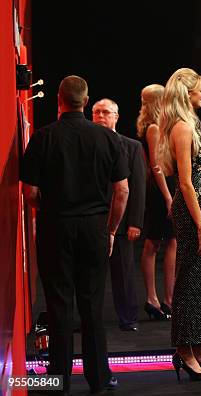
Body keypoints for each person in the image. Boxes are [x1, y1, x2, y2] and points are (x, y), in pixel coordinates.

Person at [20, 76, 128, 394]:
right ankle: (99, 378)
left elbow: (29, 193)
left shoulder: (43, 138)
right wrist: (110, 230)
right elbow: (121, 191)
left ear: (59, 99)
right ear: (86, 100)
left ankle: (59, 381)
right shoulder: (108, 139)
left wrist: (51, 206)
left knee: (59, 305)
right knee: (92, 304)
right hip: (94, 227)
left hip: (56, 226)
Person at [160, 68, 201, 380]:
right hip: (191, 212)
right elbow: (185, 183)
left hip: (200, 209)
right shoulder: (182, 128)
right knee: (192, 280)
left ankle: (200, 349)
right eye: (200, 90)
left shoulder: (189, 124)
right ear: (188, 94)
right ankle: (184, 351)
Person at [93, 98, 146, 332]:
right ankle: (88, 318)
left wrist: (135, 222)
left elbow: (138, 186)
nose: (101, 116)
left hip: (123, 221)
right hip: (92, 218)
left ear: (116, 116)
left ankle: (129, 317)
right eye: (96, 112)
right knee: (90, 272)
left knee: (123, 273)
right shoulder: (86, 143)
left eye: (106, 112)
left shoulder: (131, 146)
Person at [136, 84, 177, 321]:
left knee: (173, 240)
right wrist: (168, 196)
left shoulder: (164, 125)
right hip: (159, 189)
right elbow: (156, 165)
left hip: (169, 184)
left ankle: (169, 299)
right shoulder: (152, 128)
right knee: (153, 243)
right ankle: (152, 297)